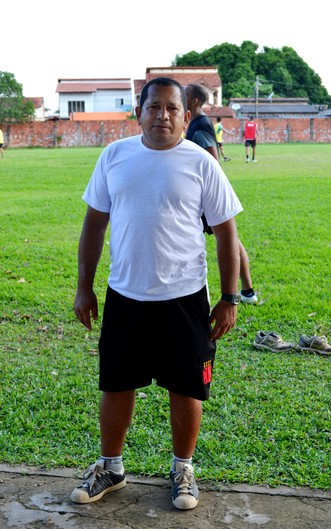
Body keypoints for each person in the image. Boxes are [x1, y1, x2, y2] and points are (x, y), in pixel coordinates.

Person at [71, 77, 243, 510]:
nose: (162, 116)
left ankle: (182, 468)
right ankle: (111, 467)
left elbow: (226, 234)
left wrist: (229, 297)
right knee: (116, 383)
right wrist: (83, 287)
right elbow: (94, 225)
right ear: (139, 112)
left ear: (186, 116)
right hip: (125, 294)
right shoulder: (115, 156)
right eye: (154, 107)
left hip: (185, 297)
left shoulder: (202, 163)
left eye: (171, 108)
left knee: (186, 387)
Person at [185, 84, 258, 304]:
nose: (181, 97)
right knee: (229, 239)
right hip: (198, 191)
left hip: (206, 192)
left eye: (184, 95)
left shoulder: (201, 124)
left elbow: (213, 161)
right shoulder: (195, 123)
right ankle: (247, 291)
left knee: (229, 239)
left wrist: (211, 195)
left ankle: (247, 291)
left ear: (194, 101)